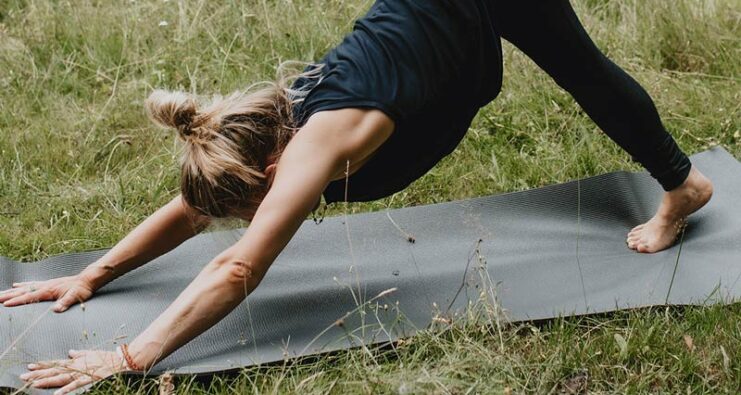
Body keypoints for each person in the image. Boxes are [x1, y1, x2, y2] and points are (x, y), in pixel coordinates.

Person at [1, 0, 714, 392]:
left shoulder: (313, 144)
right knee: (580, 67)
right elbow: (192, 211)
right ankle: (683, 183)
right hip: (446, 18)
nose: (246, 223)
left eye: (247, 208)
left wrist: (131, 356)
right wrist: (92, 273)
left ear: (273, 167)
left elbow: (239, 268)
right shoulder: (256, 132)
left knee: (581, 70)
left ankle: (682, 186)